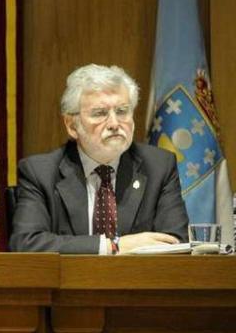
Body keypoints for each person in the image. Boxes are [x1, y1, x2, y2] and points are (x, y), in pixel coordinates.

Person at [10, 64, 188, 254]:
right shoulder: (41, 172)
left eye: (122, 111)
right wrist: (113, 246)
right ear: (72, 125)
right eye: (100, 113)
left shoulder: (159, 167)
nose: (114, 123)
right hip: (70, 282)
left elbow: (175, 244)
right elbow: (26, 243)